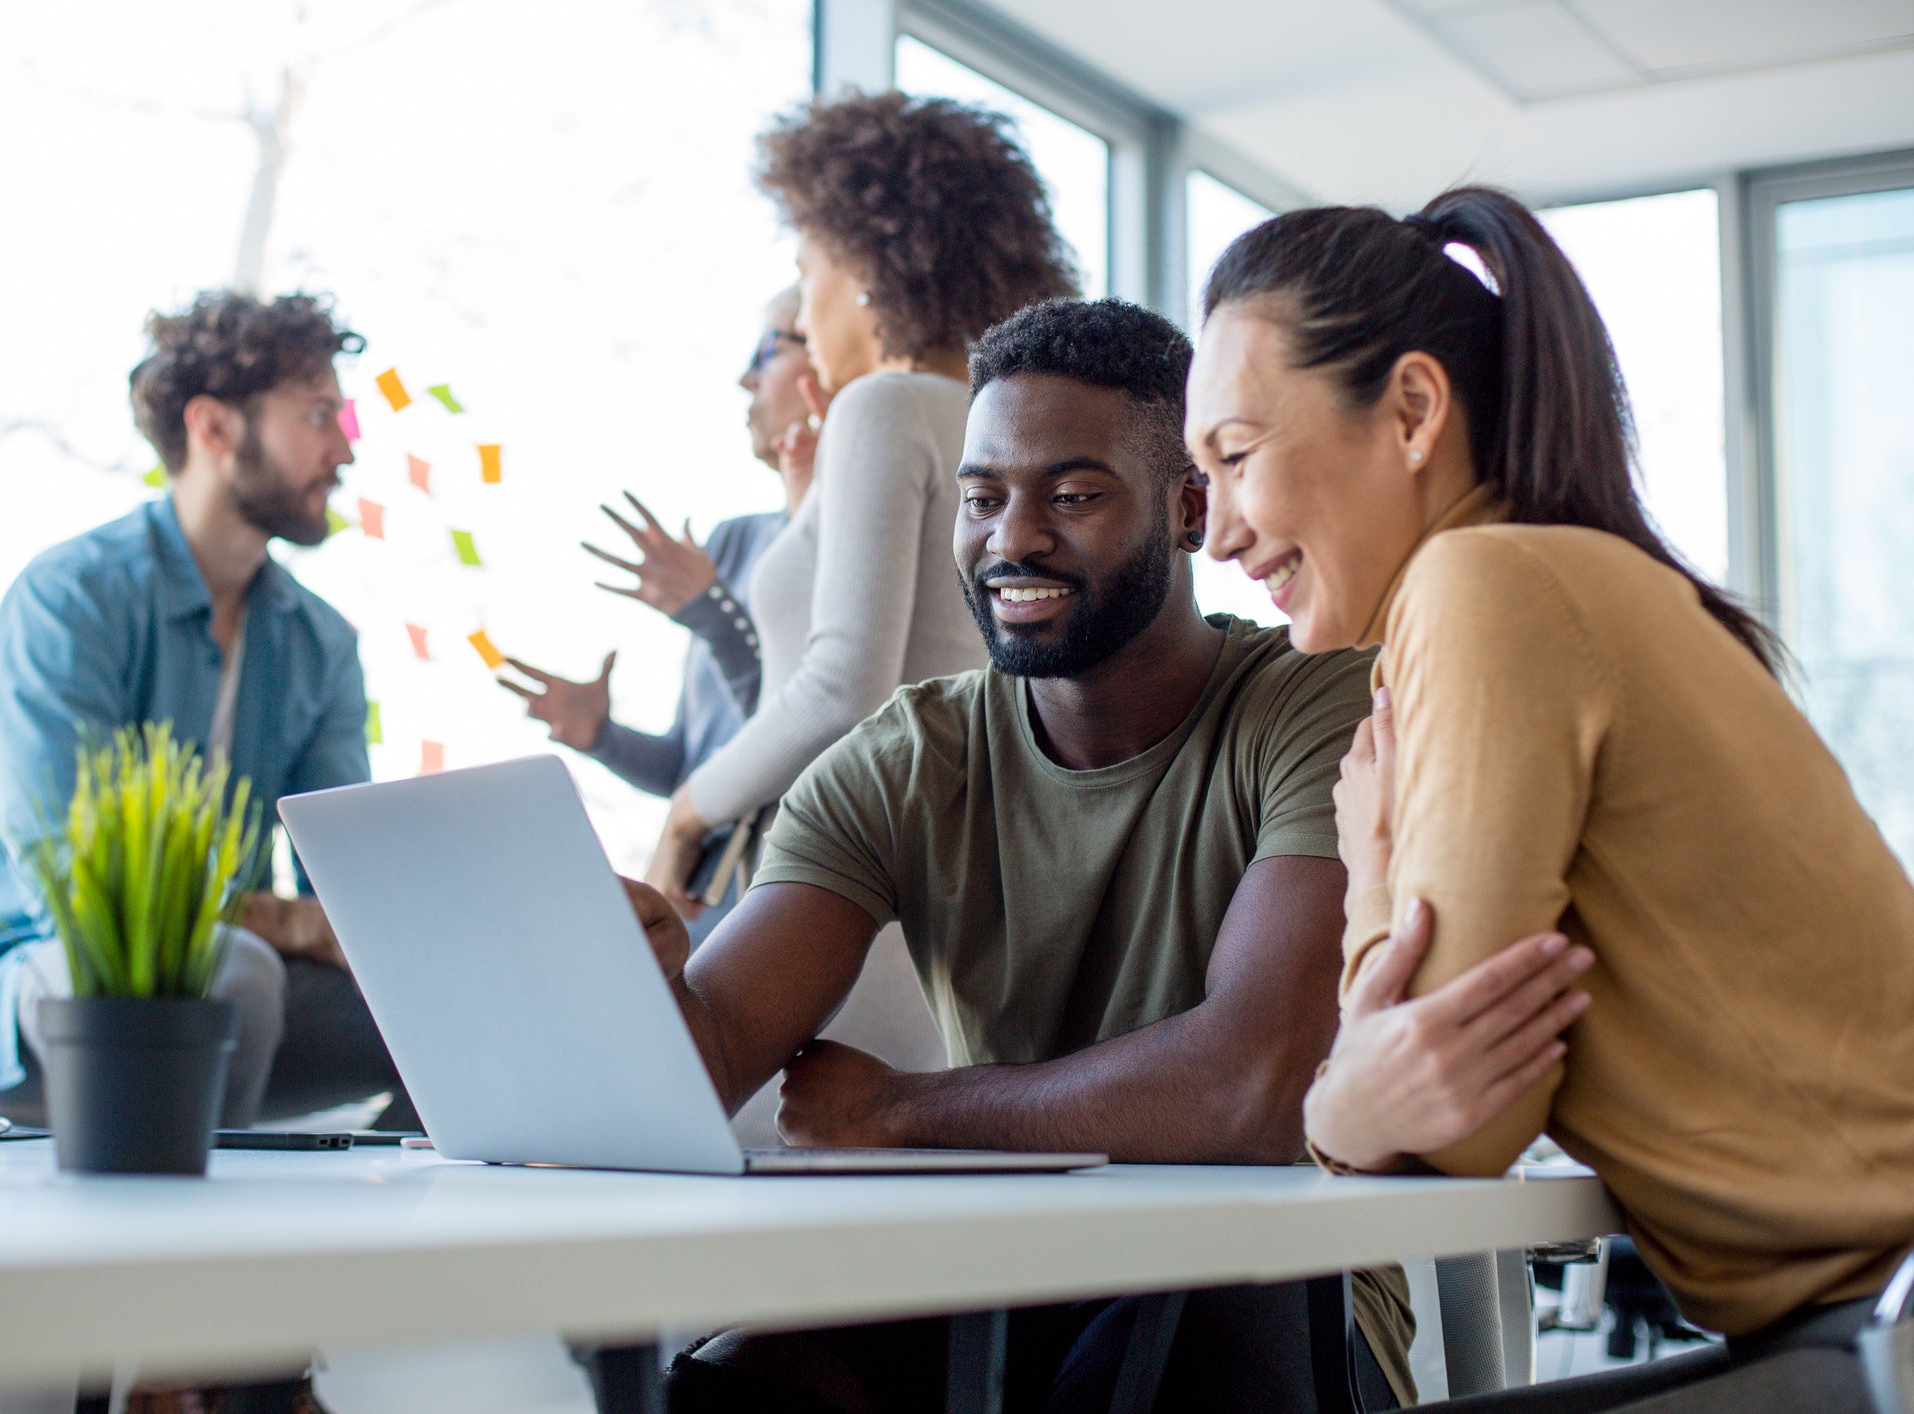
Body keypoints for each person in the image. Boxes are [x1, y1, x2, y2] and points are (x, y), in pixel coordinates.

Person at [1187, 186, 1914, 1409]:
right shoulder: (1551, 578)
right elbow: (1434, 1079)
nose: (1214, 533)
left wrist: (1367, 897)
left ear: (1413, 410)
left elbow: (1456, 1124)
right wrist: (1358, 1098)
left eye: (1237, 457)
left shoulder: (1483, 585)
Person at [626, 297, 1414, 1411]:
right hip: (999, 1280)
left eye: (1075, 495)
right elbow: (709, 1054)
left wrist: (906, 1110)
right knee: (746, 1383)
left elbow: (1252, 1093)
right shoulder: (907, 755)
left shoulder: (1318, 707)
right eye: (983, 498)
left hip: (1271, 1289)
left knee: (1155, 1345)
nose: (1014, 538)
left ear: (1191, 509)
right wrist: (634, 986)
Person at [0, 290, 415, 1131]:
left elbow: (351, 895)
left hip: (233, 991)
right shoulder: (72, 597)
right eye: (319, 414)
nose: (343, 449)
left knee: (469, 1000)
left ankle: (372, 1234)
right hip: (35, 986)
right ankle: (193, 1228)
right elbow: (79, 882)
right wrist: (289, 921)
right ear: (213, 428)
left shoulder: (320, 641)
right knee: (232, 970)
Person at [644, 91, 1079, 917]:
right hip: (944, 868)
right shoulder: (1001, 422)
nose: (806, 310)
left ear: (869, 266)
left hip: (841, 880)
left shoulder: (883, 407)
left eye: (809, 274)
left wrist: (685, 810)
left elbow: (844, 684)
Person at [502, 287, 824, 942]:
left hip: (777, 889)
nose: (745, 377)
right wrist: (602, 737)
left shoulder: (848, 548)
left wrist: (709, 612)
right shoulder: (732, 540)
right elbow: (694, 762)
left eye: (767, 349)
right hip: (700, 894)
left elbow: (806, 718)